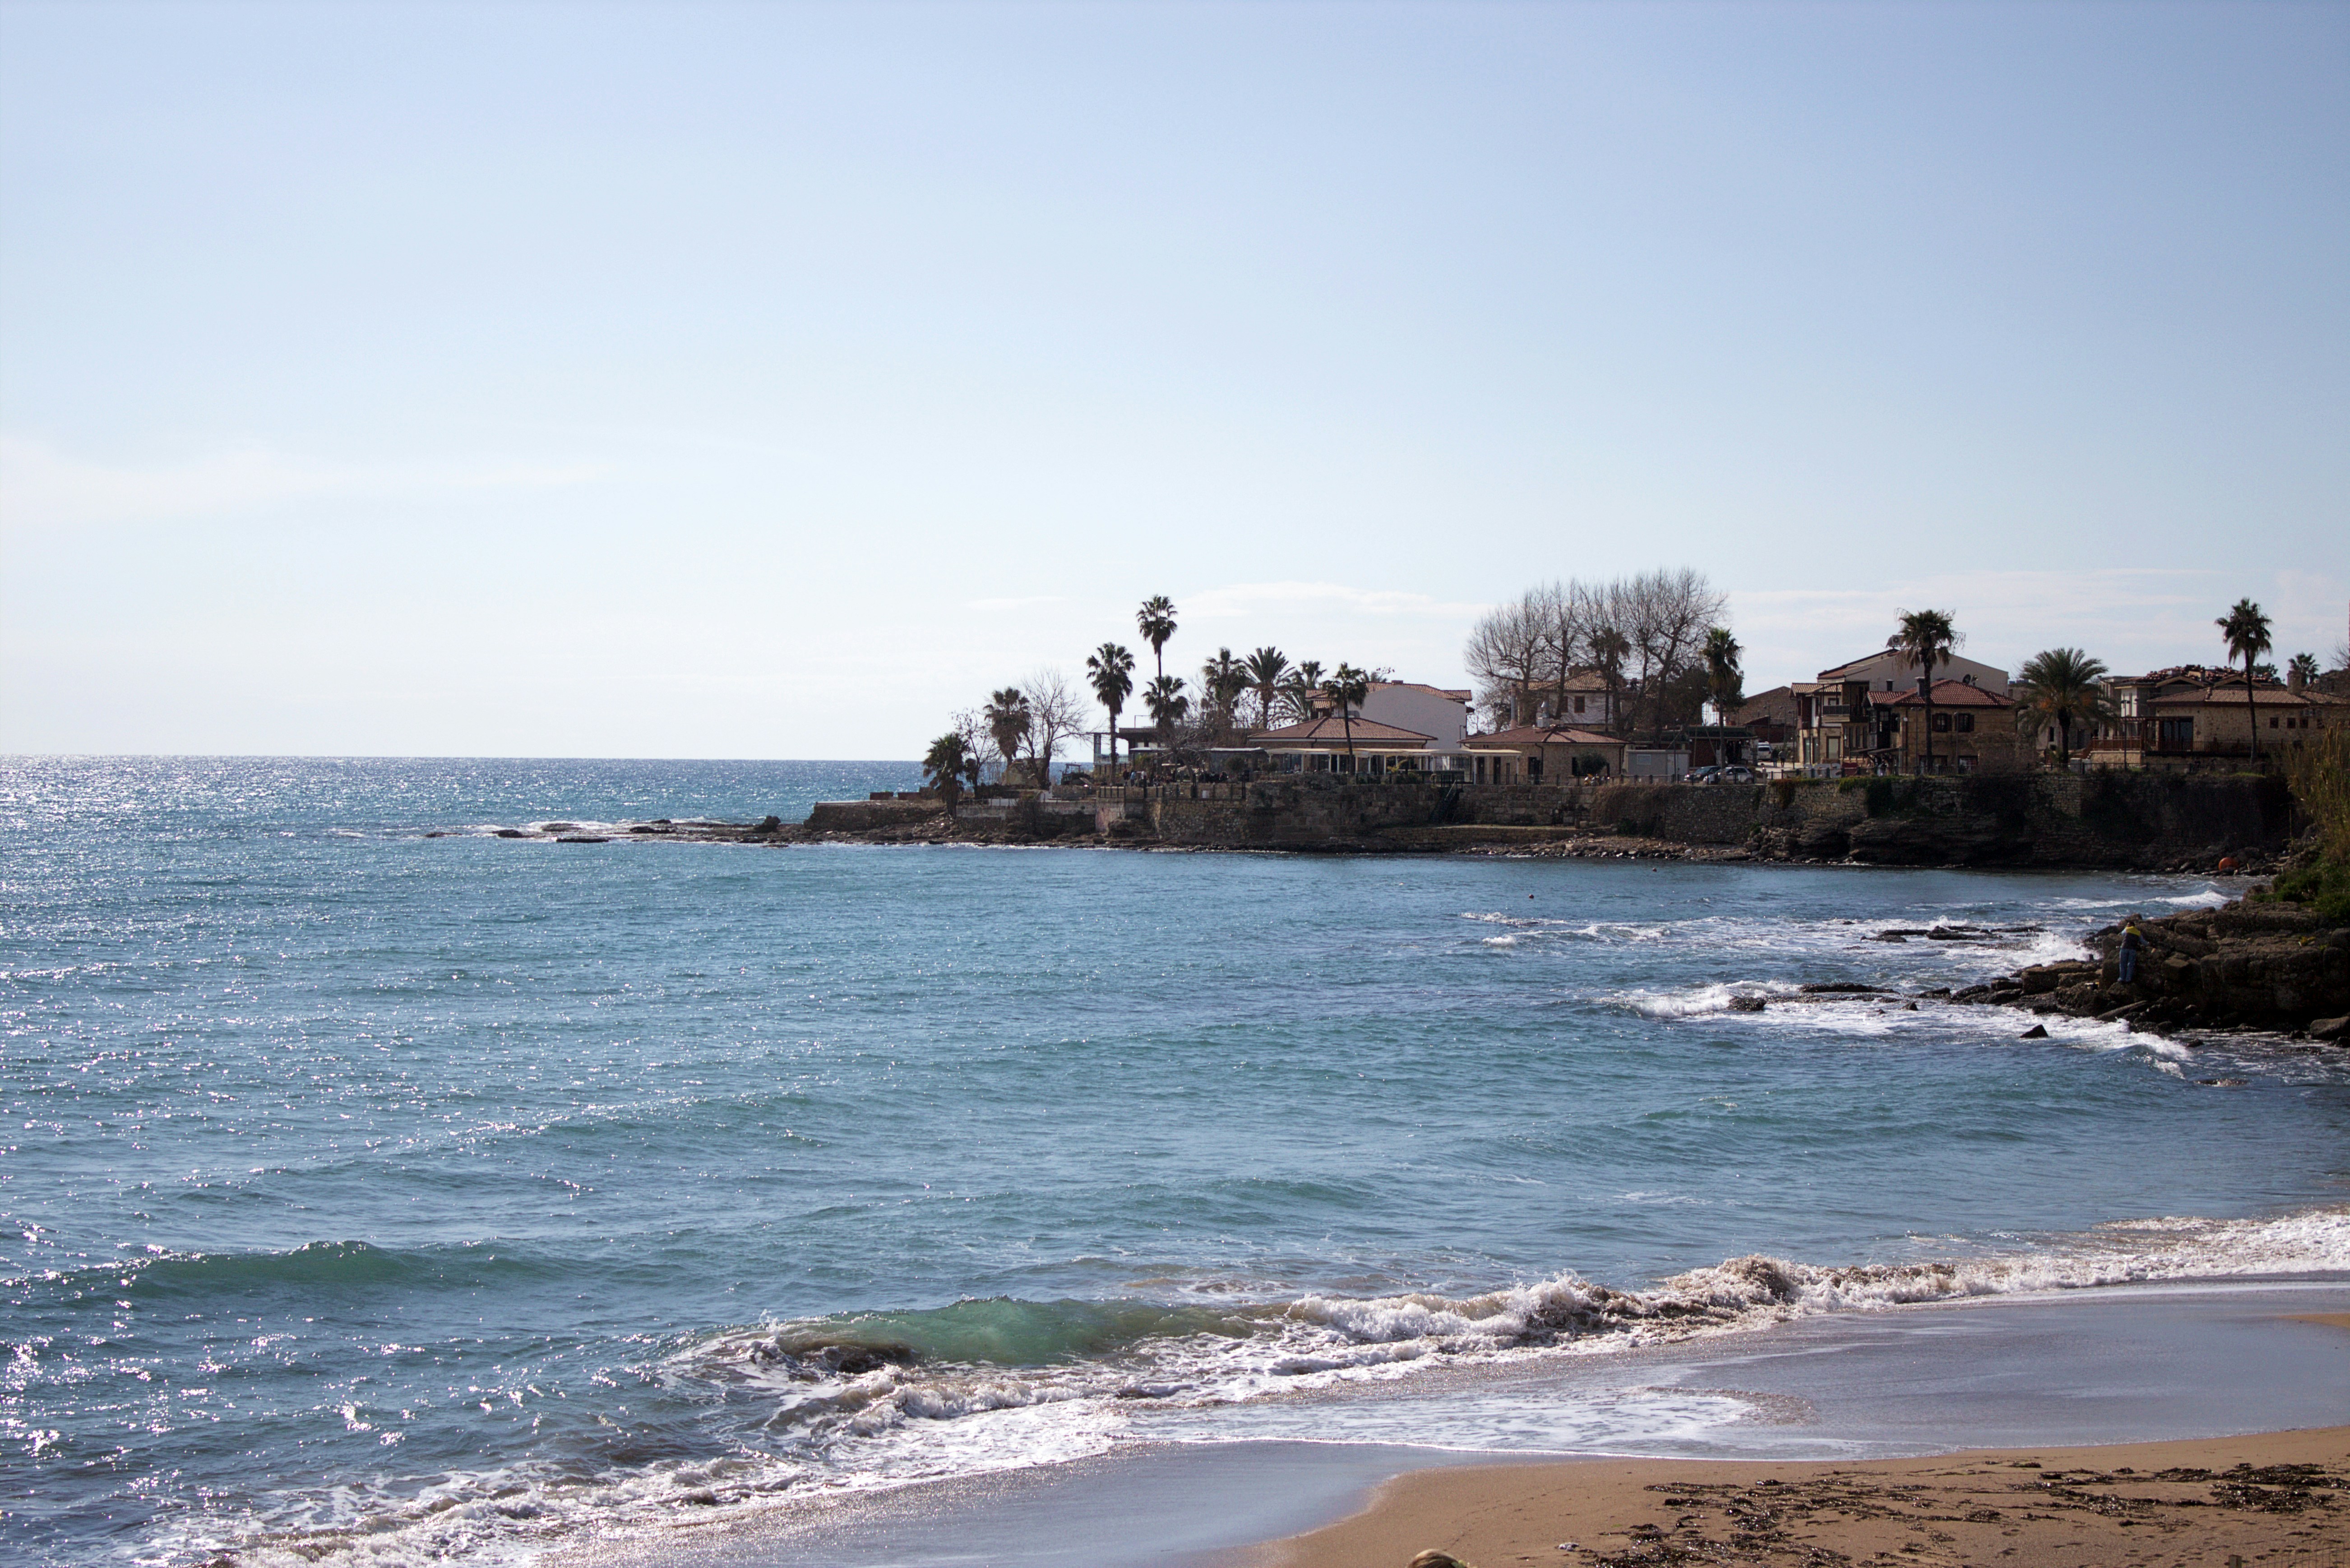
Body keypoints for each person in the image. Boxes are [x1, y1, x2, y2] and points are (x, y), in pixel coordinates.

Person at [2119, 918, 2144, 985]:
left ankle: (2122, 979)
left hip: (2124, 948)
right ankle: (2128, 979)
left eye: (2128, 925)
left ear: (2130, 925)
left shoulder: (2127, 929)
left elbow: (2122, 934)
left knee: (2123, 964)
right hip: (2133, 949)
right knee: (2130, 965)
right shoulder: (2138, 932)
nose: (2127, 926)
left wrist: (2126, 928)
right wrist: (2149, 944)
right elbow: (2143, 941)